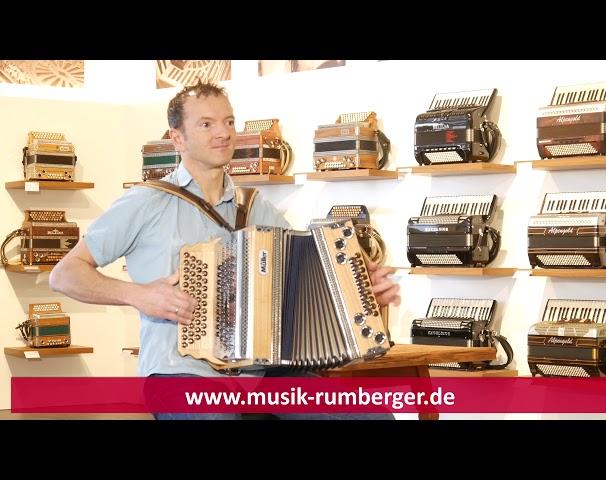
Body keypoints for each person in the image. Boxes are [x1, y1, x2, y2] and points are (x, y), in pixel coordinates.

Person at [49, 80, 401, 420]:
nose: (223, 132)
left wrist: (362, 292)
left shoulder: (256, 207)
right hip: (178, 372)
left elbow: (304, 277)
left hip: (261, 375)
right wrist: (138, 295)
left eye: (228, 121)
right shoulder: (146, 201)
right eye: (206, 124)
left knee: (368, 414)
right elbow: (65, 274)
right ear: (177, 138)